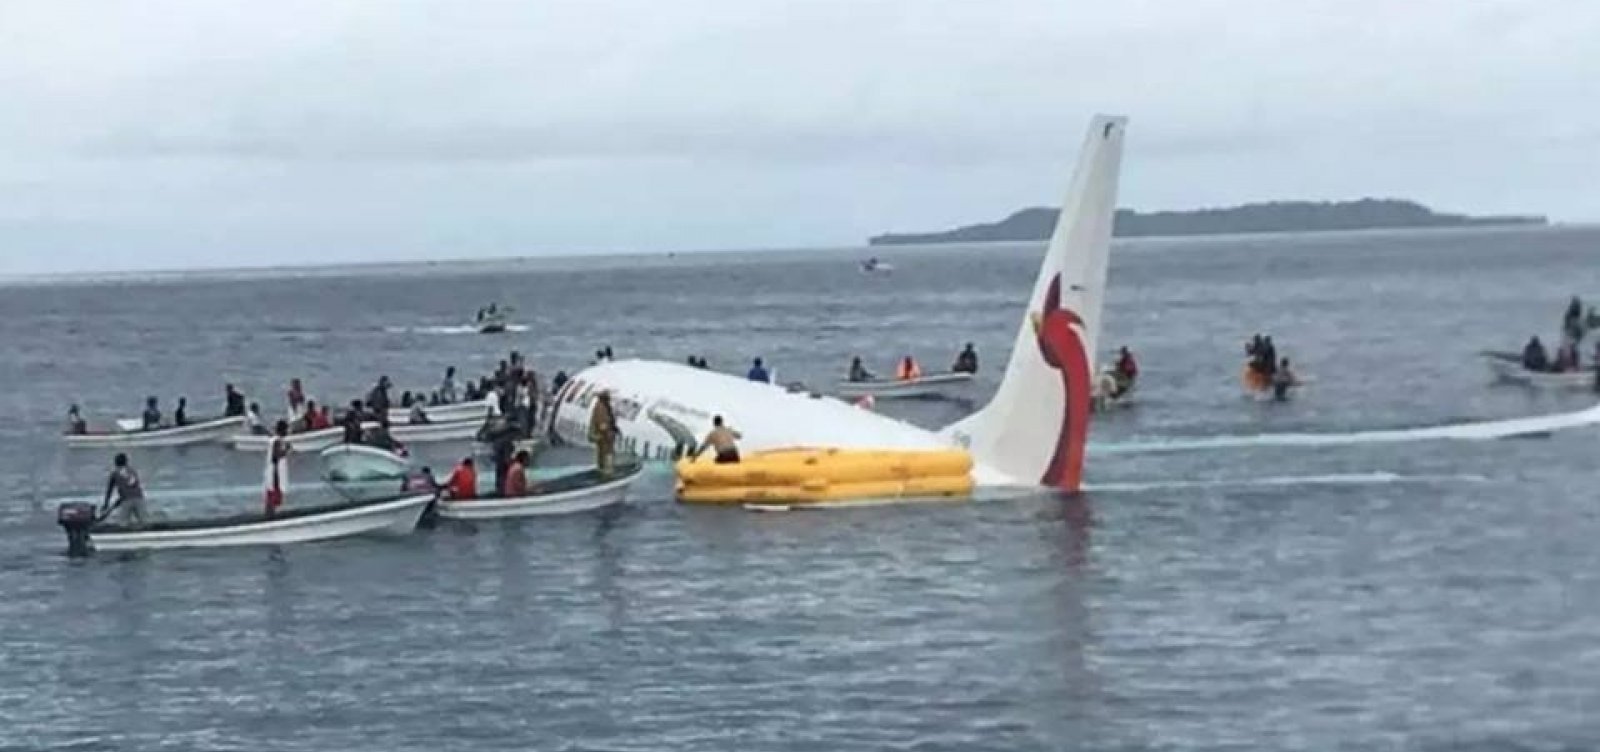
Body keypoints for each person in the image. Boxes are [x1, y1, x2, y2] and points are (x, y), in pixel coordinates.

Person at [101, 453, 147, 527]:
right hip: (139, 498)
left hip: (126, 500)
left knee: (122, 523)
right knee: (144, 522)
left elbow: (109, 490)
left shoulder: (115, 473)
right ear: (126, 462)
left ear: (116, 463)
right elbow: (132, 486)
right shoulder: (132, 471)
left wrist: (106, 504)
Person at [264, 420, 291, 516]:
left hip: (271, 470)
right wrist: (286, 450)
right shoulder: (277, 441)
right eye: (286, 429)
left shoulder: (273, 440)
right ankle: (270, 515)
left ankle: (269, 514)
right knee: (274, 495)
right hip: (275, 472)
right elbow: (276, 457)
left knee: (271, 495)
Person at [590, 390, 619, 475]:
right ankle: (606, 471)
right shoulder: (600, 407)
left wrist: (614, 428)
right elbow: (601, 423)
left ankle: (604, 469)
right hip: (603, 435)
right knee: (606, 453)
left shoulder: (604, 406)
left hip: (605, 434)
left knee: (604, 452)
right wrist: (607, 432)